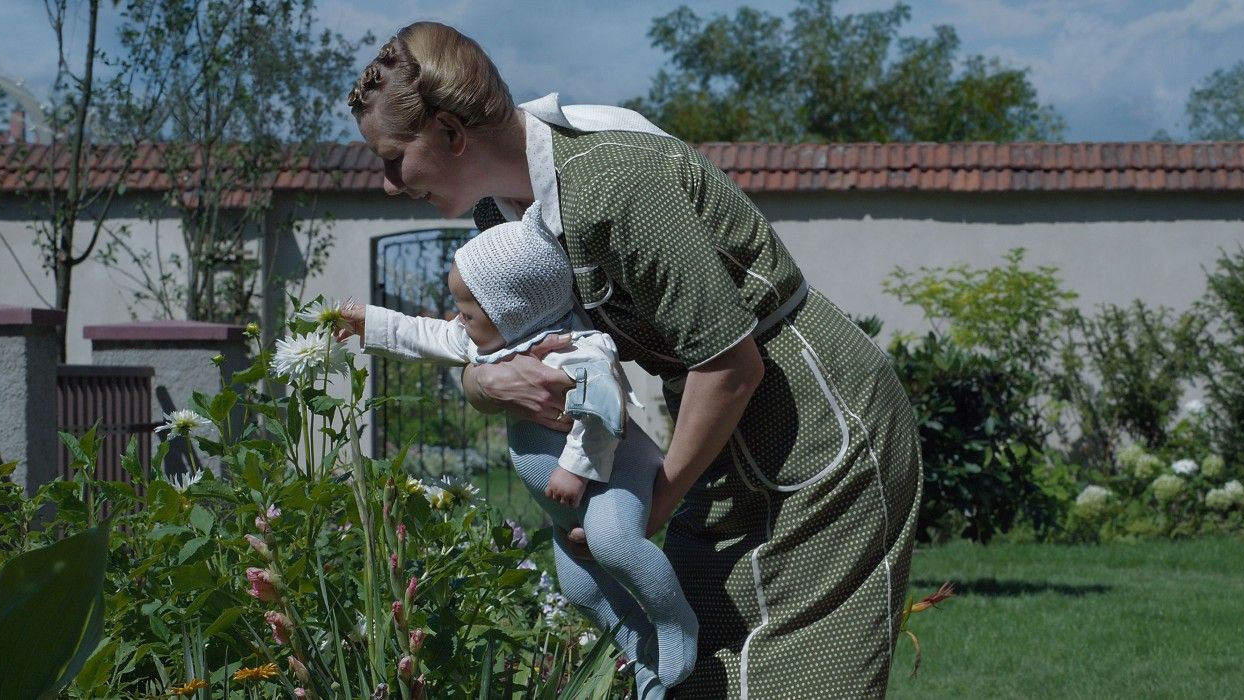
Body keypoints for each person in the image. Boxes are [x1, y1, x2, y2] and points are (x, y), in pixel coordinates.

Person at [346, 21, 923, 699]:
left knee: (802, 678)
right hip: (717, 433)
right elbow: (490, 345)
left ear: (450, 132)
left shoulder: (614, 186)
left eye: (393, 158)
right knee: (697, 669)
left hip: (818, 424)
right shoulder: (499, 221)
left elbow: (732, 367)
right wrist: (484, 384)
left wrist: (656, 504)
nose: (387, 184)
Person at [342, 204, 697, 695]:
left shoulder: (579, 348)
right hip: (563, 505)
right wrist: (368, 323)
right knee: (578, 587)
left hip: (611, 474)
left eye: (467, 312)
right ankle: (640, 647)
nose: (458, 322)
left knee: (615, 544)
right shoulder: (492, 341)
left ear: (510, 310)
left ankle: (675, 622)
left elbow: (604, 410)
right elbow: (425, 333)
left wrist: (574, 470)